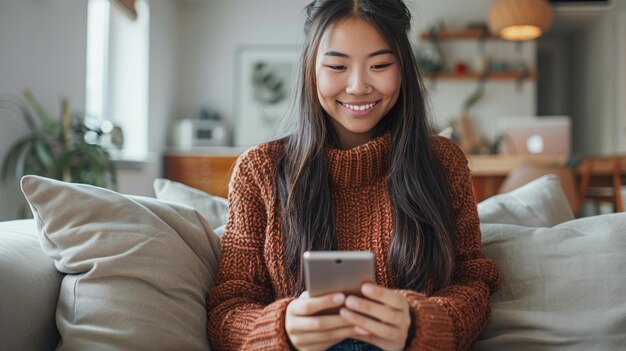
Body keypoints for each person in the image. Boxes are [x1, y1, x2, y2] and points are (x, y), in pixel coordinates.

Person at [207, 0, 500, 350]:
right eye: (337, 66)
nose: (359, 86)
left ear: (403, 69)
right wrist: (281, 327)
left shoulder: (443, 161)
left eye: (379, 65)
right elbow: (228, 308)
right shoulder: (260, 171)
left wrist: (420, 322)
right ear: (310, 70)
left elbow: (473, 283)